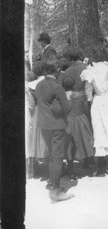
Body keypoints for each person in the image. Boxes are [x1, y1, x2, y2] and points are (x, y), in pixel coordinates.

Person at [35, 61, 74, 202]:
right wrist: (69, 100)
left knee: (51, 154)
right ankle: (56, 192)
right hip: (56, 125)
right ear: (57, 69)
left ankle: (52, 183)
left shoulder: (39, 85)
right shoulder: (57, 87)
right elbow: (66, 108)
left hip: (43, 124)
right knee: (57, 157)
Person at [61, 76, 95, 178]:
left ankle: (71, 171)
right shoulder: (81, 95)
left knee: (70, 146)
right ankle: (91, 167)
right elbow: (85, 108)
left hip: (69, 121)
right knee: (86, 143)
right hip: (81, 119)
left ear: (63, 86)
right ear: (74, 85)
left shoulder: (63, 96)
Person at [26, 62, 47, 179]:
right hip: (48, 110)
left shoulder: (30, 85)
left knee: (37, 137)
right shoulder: (47, 81)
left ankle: (33, 169)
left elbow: (32, 104)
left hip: (38, 112)